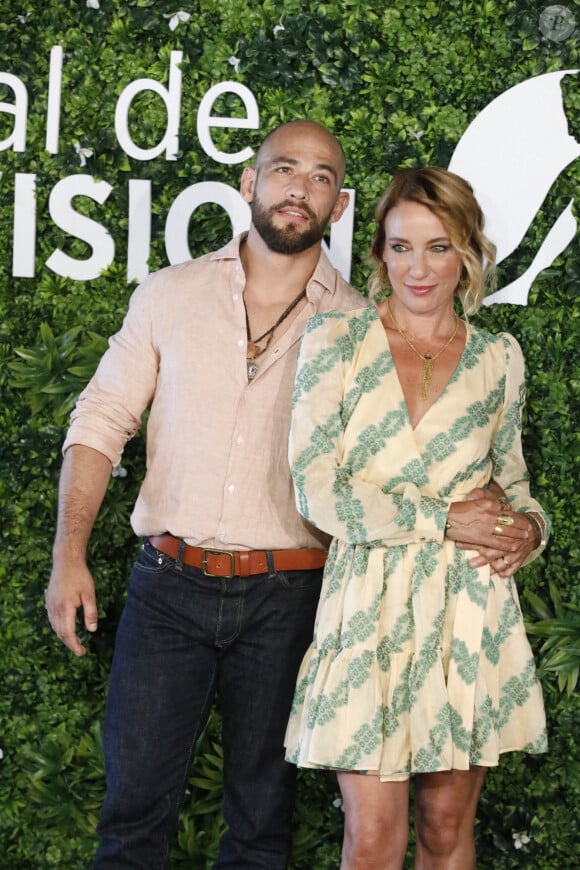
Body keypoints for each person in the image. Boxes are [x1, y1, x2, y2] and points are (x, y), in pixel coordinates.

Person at [45, 119, 367, 869]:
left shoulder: (359, 328)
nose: (300, 187)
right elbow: (100, 420)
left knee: (261, 829)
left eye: (321, 176)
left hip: (291, 598)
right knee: (131, 821)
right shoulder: (168, 295)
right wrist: (69, 554)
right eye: (284, 169)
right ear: (249, 184)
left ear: (340, 205)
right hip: (166, 587)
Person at [284, 167, 549, 869]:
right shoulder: (334, 344)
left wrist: (531, 529)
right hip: (366, 609)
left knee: (443, 828)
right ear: (378, 254)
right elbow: (316, 488)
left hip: (468, 613)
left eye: (437, 247)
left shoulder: (499, 358)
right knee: (372, 838)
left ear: (466, 252)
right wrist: (442, 520)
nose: (417, 267)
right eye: (400, 247)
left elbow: (513, 486)